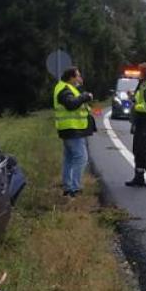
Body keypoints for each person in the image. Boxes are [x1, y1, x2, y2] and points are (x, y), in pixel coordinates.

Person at [53, 66, 94, 197]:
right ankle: (75, 188)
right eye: (77, 76)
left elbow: (75, 101)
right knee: (81, 158)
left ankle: (68, 187)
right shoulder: (64, 89)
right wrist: (85, 96)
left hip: (70, 129)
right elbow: (71, 104)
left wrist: (82, 94)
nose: (79, 78)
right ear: (71, 77)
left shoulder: (66, 87)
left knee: (70, 159)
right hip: (72, 129)